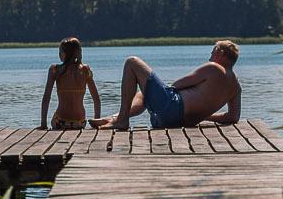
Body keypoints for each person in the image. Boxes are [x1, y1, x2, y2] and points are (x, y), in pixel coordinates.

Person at [91, 41, 241, 131]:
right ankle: (116, 117)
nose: (210, 57)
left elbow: (176, 85)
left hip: (171, 108)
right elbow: (233, 117)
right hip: (179, 121)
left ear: (220, 53)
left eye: (212, 52)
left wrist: (163, 93)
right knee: (143, 93)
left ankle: (122, 120)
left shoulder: (214, 68)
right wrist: (204, 116)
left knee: (132, 62)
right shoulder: (236, 87)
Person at [40, 37, 101, 129]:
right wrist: (96, 122)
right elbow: (96, 99)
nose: (59, 54)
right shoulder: (85, 70)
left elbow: (46, 98)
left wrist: (43, 124)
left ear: (65, 53)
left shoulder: (55, 70)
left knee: (55, 118)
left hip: (60, 122)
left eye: (60, 51)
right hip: (80, 123)